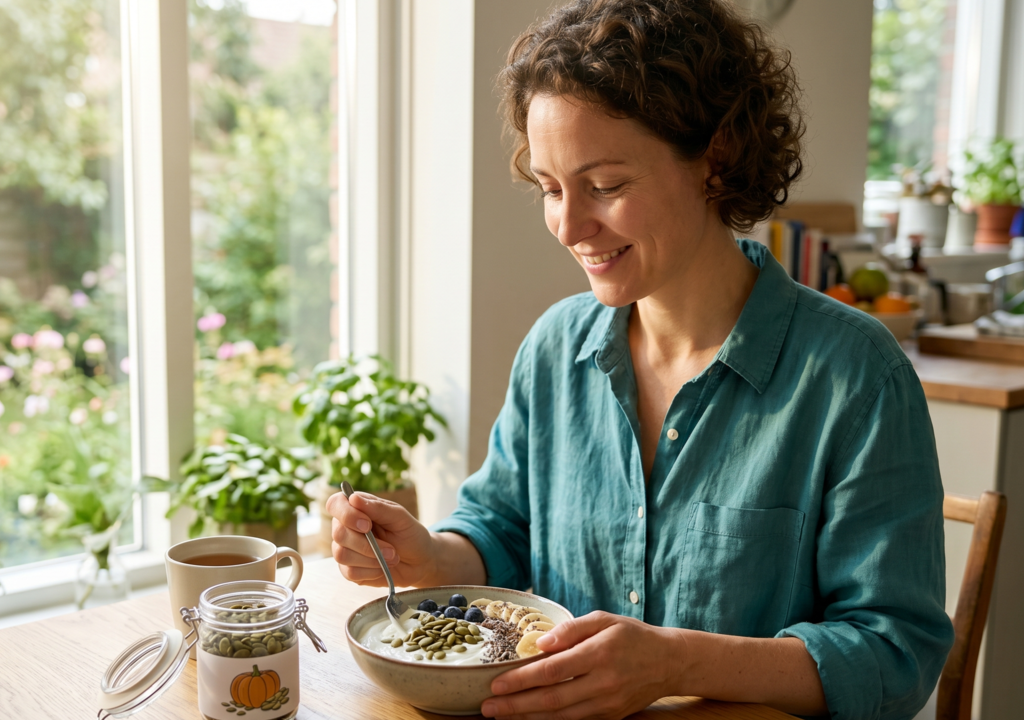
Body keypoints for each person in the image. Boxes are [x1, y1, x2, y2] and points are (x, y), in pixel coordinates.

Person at [326, 1, 954, 718]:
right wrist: (430, 559)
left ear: (715, 159)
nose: (569, 226)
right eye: (550, 188)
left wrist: (674, 662)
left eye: (606, 186)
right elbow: (501, 532)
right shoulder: (555, 349)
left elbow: (894, 655)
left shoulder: (854, 376)